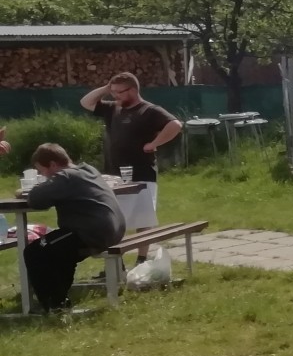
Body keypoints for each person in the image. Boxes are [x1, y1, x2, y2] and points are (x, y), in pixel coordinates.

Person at [80, 73, 180, 260]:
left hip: (142, 173)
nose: (115, 95)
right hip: (114, 176)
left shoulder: (149, 110)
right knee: (114, 220)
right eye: (113, 92)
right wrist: (106, 88)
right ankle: (116, 263)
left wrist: (154, 143)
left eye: (119, 92)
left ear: (133, 90)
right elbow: (86, 102)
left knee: (144, 219)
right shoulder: (113, 108)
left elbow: (175, 125)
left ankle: (142, 259)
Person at [23, 143, 126, 313]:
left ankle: (53, 305)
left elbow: (35, 199)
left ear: (53, 164)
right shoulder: (87, 169)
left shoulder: (65, 177)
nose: (44, 176)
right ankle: (59, 300)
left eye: (42, 172)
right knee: (58, 248)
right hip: (113, 230)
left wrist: (32, 188)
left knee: (35, 252)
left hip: (91, 232)